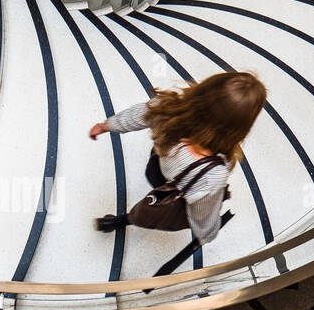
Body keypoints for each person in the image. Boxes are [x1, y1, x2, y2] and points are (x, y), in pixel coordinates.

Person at [89, 71, 267, 248]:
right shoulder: (213, 174)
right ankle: (123, 221)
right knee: (152, 209)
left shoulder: (168, 108)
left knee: (152, 195)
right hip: (178, 187)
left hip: (156, 168)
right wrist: (207, 234)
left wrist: (106, 125)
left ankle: (115, 222)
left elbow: (138, 115)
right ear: (240, 127)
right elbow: (203, 211)